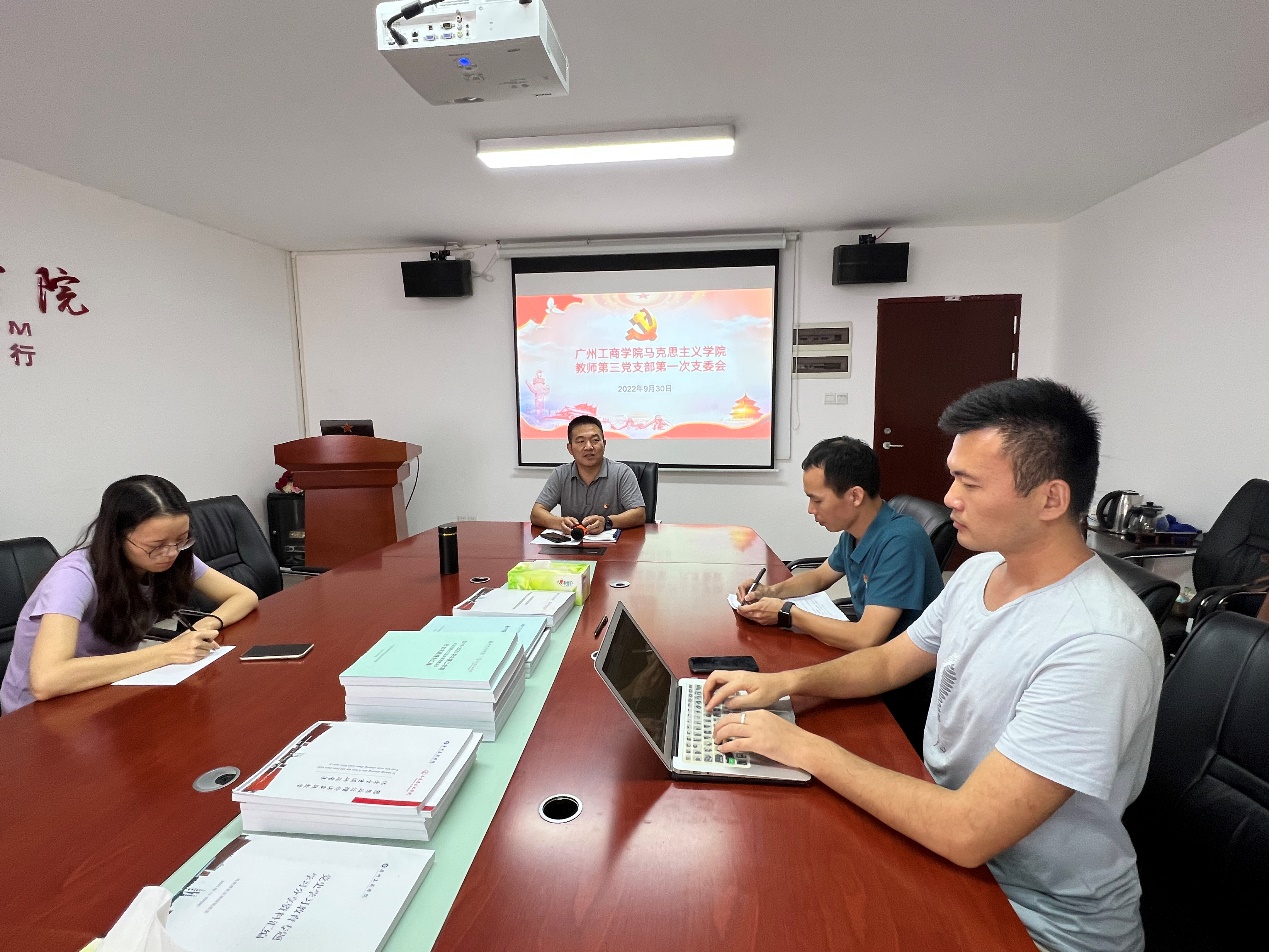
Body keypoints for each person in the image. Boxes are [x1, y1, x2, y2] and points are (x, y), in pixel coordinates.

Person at [705, 379, 1164, 952]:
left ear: (1051, 499)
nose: (948, 499)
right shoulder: (979, 572)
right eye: (953, 478)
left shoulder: (1098, 642)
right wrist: (781, 684)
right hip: (948, 859)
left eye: (969, 483)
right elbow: (886, 663)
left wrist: (801, 747)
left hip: (1037, 920)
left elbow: (967, 830)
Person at [1, 475, 260, 713]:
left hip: (107, 690)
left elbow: (243, 596)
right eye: (156, 545)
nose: (170, 553)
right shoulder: (73, 576)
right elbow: (47, 681)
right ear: (117, 537)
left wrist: (207, 624)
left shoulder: (171, 556)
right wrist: (167, 652)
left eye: (181, 539)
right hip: (39, 714)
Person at [734, 436, 943, 652]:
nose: (810, 509)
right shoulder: (854, 532)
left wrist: (788, 612)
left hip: (901, 663)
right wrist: (769, 592)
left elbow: (867, 637)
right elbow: (819, 577)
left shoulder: (900, 542)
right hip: (873, 653)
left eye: (817, 500)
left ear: (855, 496)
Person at [530, 415, 646, 535]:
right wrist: (559, 523)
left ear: (604, 444)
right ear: (570, 448)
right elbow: (536, 513)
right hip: (573, 543)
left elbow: (639, 514)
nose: (589, 447)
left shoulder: (622, 473)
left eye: (595, 440)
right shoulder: (561, 474)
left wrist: (606, 522)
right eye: (581, 441)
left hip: (612, 544)